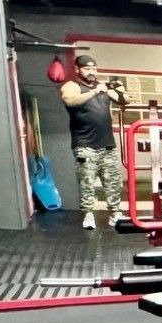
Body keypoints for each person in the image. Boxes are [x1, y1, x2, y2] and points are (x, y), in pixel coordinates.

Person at [59, 54, 127, 229]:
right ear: (77, 69)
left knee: (112, 181)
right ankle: (89, 215)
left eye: (94, 69)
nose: (91, 72)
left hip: (107, 144)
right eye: (87, 69)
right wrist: (94, 92)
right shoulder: (72, 86)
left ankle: (115, 213)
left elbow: (125, 100)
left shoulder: (101, 86)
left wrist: (119, 89)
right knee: (87, 182)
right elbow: (71, 101)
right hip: (85, 144)